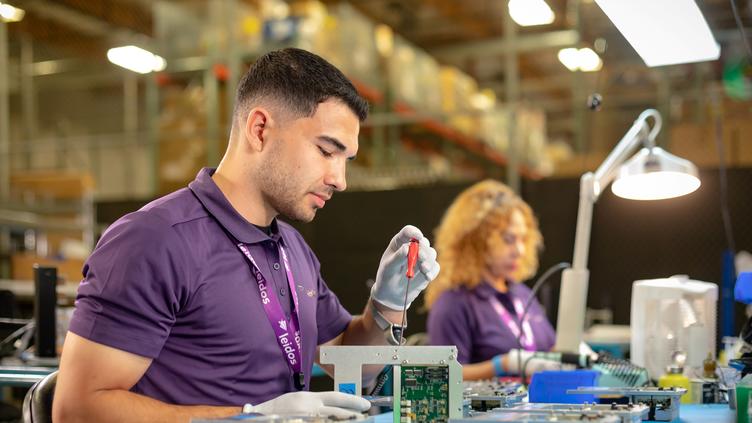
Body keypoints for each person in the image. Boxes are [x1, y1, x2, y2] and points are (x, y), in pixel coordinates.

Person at [53, 48, 440, 423]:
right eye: (326, 151)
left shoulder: (292, 250)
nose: (339, 180)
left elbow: (348, 364)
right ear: (259, 129)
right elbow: (77, 410)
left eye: (346, 160)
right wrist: (249, 417)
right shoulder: (155, 241)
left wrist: (385, 305)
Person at [425, 180, 559, 381]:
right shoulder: (453, 304)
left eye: (523, 239)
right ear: (475, 240)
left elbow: (548, 348)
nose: (520, 250)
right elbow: (442, 376)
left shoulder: (521, 294)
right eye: (508, 239)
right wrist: (500, 365)